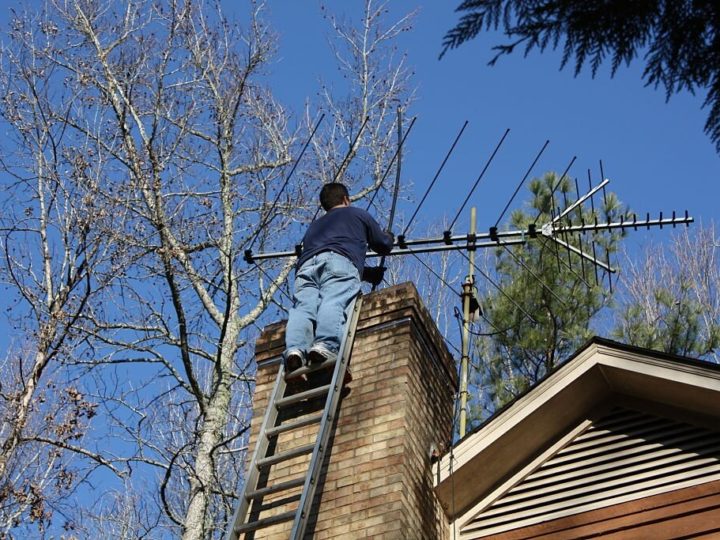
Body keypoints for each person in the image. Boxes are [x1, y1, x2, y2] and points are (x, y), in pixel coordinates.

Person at [284, 182, 394, 374]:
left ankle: (295, 349)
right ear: (345, 199)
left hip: (307, 267)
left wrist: (368, 274)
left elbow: (327, 254)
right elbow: (382, 244)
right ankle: (325, 345)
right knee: (334, 300)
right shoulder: (357, 214)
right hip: (339, 262)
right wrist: (389, 236)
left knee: (302, 309)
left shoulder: (315, 226)